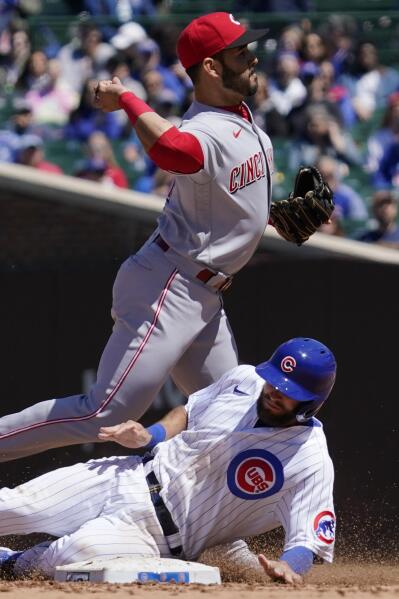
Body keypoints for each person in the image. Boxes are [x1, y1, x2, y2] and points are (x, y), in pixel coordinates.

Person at [0, 12, 316, 462]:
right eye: (240, 52)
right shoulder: (202, 129)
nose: (253, 58)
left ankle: (225, 533)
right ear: (210, 66)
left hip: (204, 294)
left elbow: (226, 206)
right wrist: (128, 98)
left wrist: (274, 221)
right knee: (104, 414)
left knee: (232, 414)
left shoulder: (242, 119)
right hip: (170, 285)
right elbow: (172, 151)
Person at [0, 338, 337, 585]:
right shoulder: (245, 379)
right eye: (274, 380)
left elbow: (307, 539)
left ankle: (12, 563)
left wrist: (291, 565)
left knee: (71, 552)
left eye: (287, 390)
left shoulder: (310, 459)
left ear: (312, 403)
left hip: (155, 534)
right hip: (127, 475)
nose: (274, 391)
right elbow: (188, 413)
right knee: (15, 505)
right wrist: (151, 435)